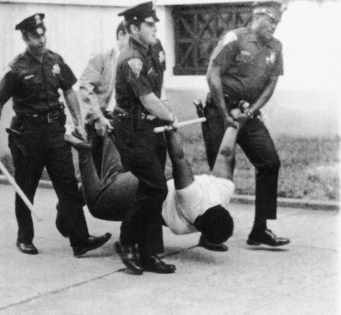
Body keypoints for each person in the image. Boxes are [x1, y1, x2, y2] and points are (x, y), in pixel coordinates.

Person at [0, 13, 111, 257]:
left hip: (54, 132)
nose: (41, 40)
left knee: (68, 185)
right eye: (34, 36)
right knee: (26, 185)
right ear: (24, 37)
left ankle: (80, 240)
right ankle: (25, 238)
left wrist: (78, 122)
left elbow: (69, 91)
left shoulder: (55, 61)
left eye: (43, 34)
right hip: (27, 135)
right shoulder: (15, 68)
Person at [66, 108, 249, 257]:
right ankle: (84, 152)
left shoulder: (223, 191)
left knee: (115, 170)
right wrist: (171, 128)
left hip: (144, 180)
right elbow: (178, 158)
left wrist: (235, 125)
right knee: (98, 203)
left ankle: (107, 124)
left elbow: (225, 154)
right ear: (198, 225)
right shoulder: (192, 201)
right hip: (142, 189)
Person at [204, 0, 289, 247]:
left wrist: (251, 111)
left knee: (270, 162)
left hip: (247, 114)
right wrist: (223, 112)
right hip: (221, 111)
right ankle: (210, 233)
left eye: (278, 22)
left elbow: (272, 83)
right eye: (271, 20)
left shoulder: (276, 47)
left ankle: (260, 230)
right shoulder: (234, 38)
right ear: (257, 16)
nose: (275, 26)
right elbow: (213, 73)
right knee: (221, 171)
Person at [111, 1, 178, 275]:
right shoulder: (130, 60)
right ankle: (126, 240)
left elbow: (157, 89)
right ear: (134, 27)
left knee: (150, 190)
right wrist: (170, 117)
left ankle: (149, 253)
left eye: (154, 24)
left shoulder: (156, 48)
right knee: (156, 187)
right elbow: (149, 100)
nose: (154, 28)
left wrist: (163, 115)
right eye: (149, 25)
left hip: (152, 130)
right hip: (133, 132)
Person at [78, 21, 127, 174]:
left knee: (121, 171)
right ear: (121, 35)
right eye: (132, 39)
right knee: (97, 171)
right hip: (100, 121)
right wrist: (98, 117)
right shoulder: (103, 57)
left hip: (123, 122)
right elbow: (85, 87)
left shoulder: (134, 60)